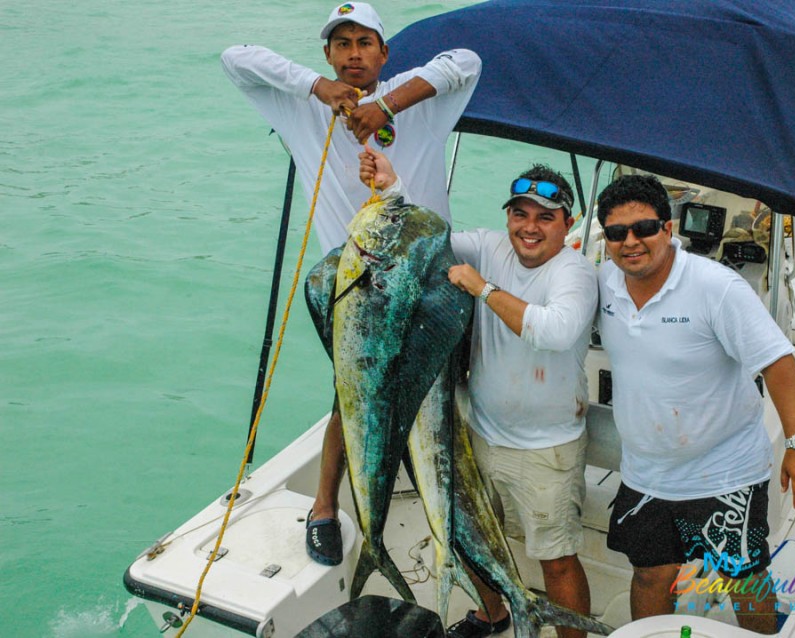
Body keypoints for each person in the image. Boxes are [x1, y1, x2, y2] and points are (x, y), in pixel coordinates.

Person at [221, 2, 481, 567]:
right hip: (355, 289)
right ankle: (324, 507)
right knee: (349, 397)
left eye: (365, 42)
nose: (354, 52)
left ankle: (453, 516)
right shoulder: (301, 110)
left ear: (384, 55)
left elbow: (465, 60)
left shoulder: (418, 103)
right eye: (342, 44)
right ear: (329, 55)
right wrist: (318, 89)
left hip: (430, 283)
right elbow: (236, 58)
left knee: (441, 395)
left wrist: (384, 104)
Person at [359, 149, 598, 638]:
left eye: (545, 218)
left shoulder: (574, 273)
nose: (529, 228)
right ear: (507, 217)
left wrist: (482, 289)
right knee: (468, 543)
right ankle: (494, 614)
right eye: (520, 214)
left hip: (545, 449)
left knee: (556, 560)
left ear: (566, 223)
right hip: (479, 437)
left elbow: (553, 331)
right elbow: (425, 239)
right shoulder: (488, 246)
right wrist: (391, 188)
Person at [594, 174, 795, 634]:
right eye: (617, 233)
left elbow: (778, 362)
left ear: (668, 227)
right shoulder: (605, 281)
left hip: (725, 472)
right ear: (605, 240)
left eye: (643, 228)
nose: (631, 242)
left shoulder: (716, 287)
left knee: (744, 578)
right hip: (646, 472)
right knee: (649, 573)